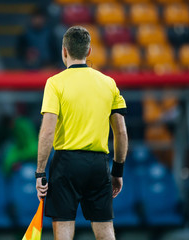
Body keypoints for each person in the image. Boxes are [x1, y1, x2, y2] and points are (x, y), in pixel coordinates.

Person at [35, 26, 128, 240]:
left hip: (66, 163)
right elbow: (121, 132)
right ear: (88, 52)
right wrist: (118, 171)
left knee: (64, 231)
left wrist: (40, 172)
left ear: (64, 51)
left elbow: (48, 131)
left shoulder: (55, 83)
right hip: (98, 163)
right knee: (105, 232)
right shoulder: (109, 83)